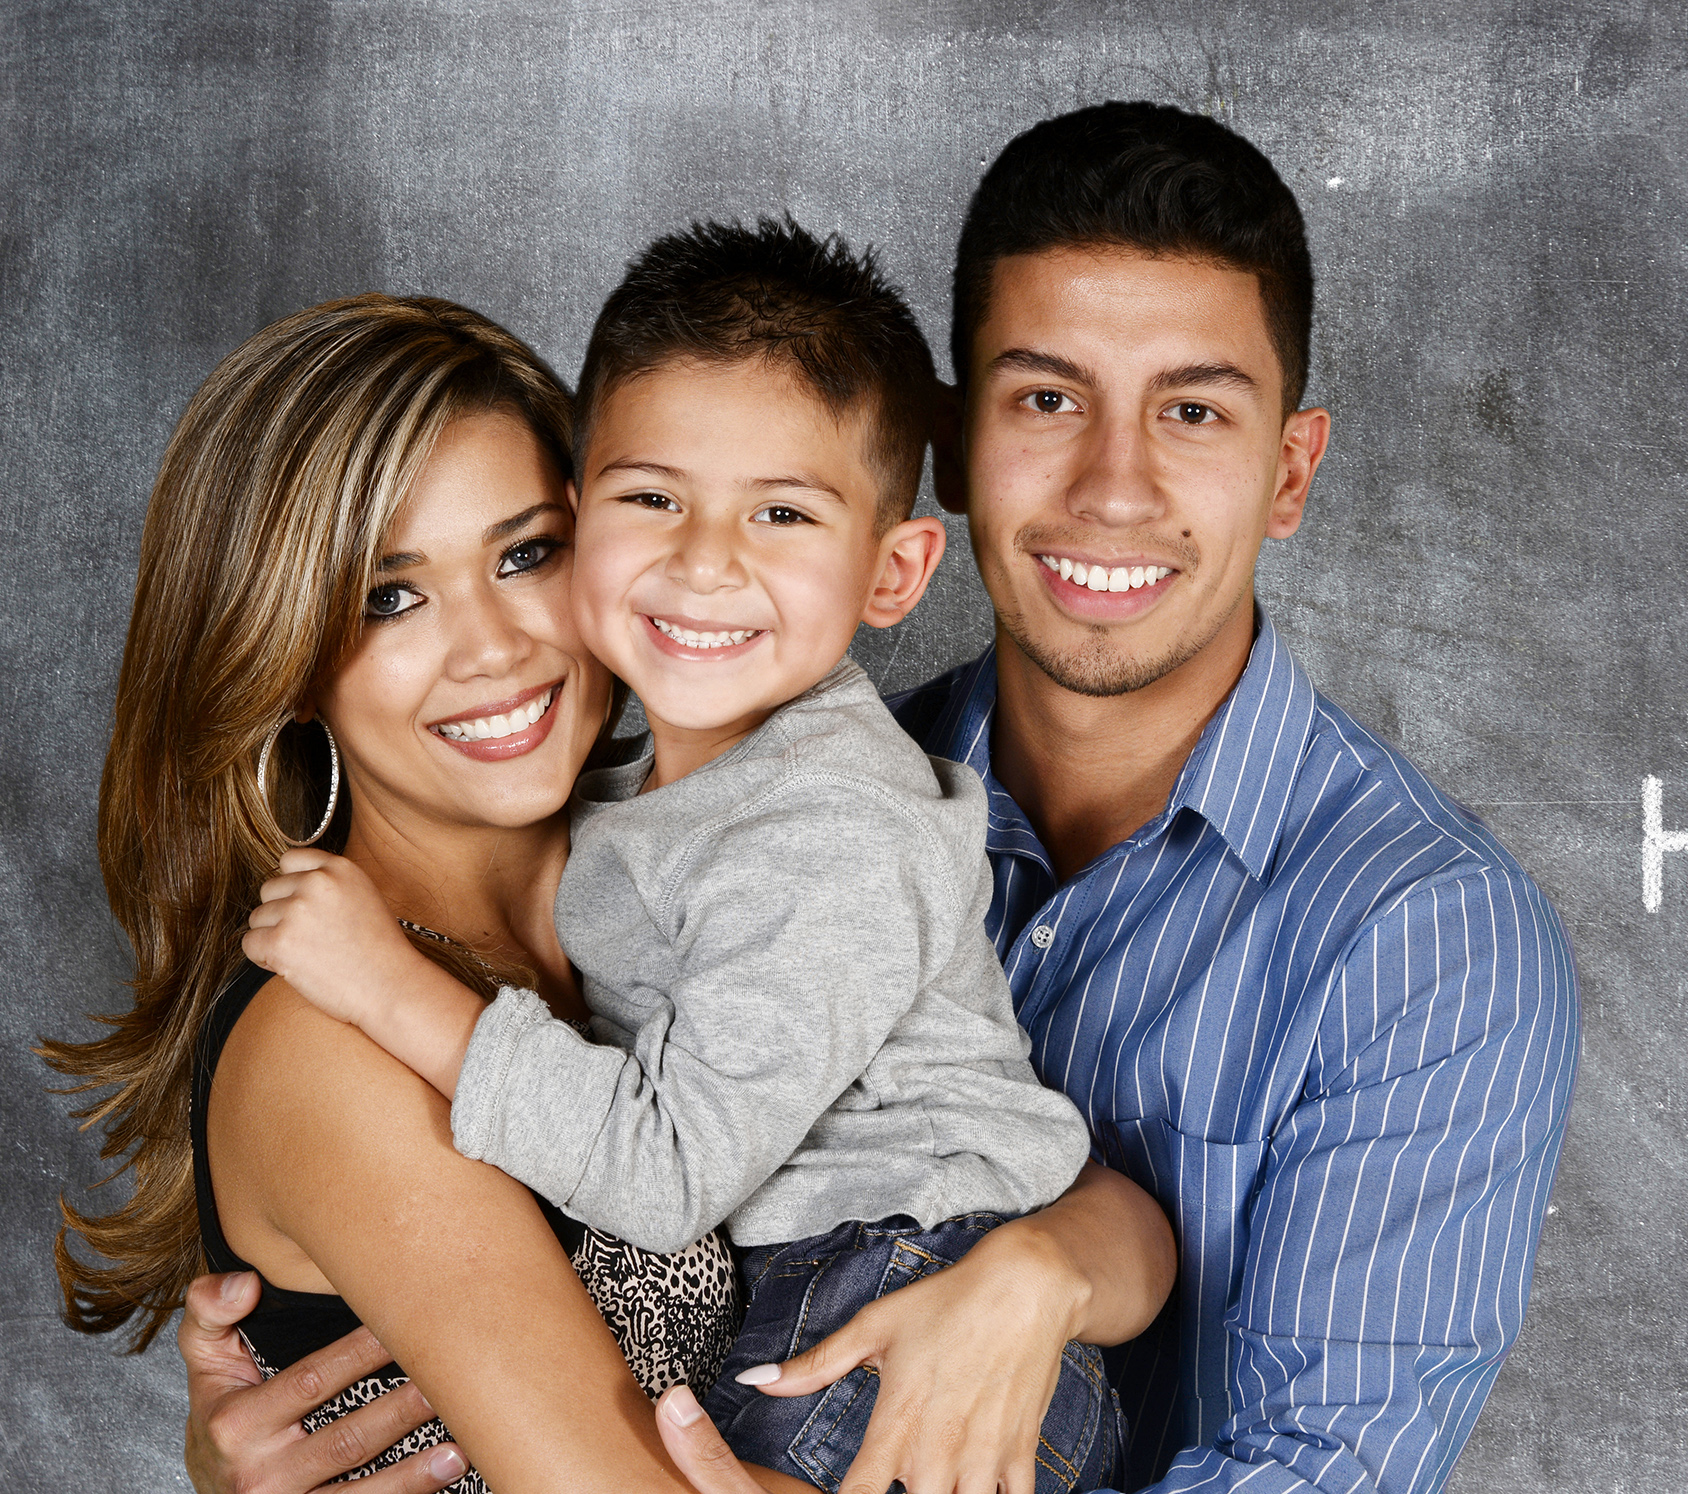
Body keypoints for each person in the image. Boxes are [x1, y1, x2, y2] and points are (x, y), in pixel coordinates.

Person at [192, 102, 1581, 1494]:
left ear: (1287, 470)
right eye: (1046, 399)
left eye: (1193, 410)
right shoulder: (739, 798)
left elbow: (1320, 1462)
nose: (1113, 485)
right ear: (960, 446)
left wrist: (1046, 1267)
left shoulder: (1422, 933)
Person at [238, 221, 1124, 1491]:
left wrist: (389, 984)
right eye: (652, 499)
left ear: (893, 572)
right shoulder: (652, 814)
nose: (706, 562)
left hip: (884, 1306)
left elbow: (661, 1175)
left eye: (518, 553)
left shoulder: (819, 831)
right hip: (847, 1291)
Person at [52, 292, 736, 1494]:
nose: (492, 649)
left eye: (526, 554)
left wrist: (1036, 1268)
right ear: (284, 654)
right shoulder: (329, 1039)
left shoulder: (694, 879)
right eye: (391, 596)